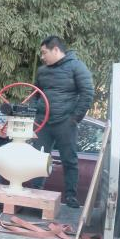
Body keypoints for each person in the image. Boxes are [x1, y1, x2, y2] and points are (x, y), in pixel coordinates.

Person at [32, 36, 94, 209]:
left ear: (56, 50)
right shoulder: (42, 71)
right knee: (37, 159)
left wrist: (74, 118)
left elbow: (87, 93)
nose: (42, 57)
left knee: (69, 160)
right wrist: (33, 113)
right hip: (42, 122)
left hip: (65, 122)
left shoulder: (77, 66)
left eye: (44, 53)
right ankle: (35, 192)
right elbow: (35, 93)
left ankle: (71, 197)